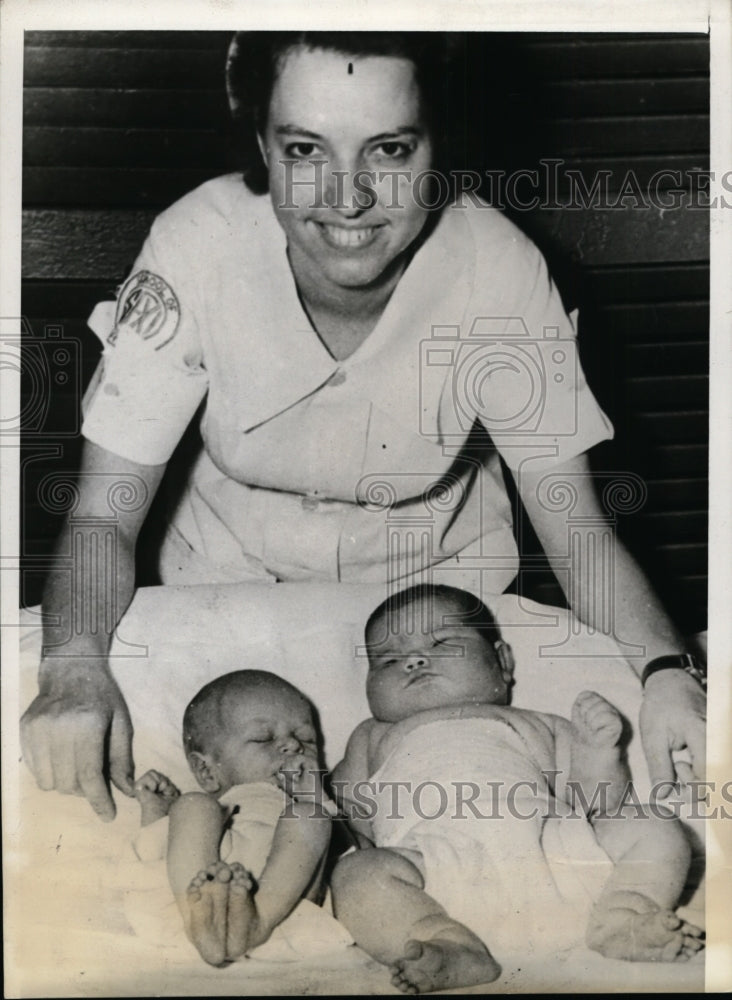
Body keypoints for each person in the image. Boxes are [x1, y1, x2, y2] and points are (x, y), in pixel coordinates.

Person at [20, 32, 705, 822]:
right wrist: (72, 666)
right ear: (261, 145)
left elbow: (576, 524)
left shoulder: (501, 271)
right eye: (306, 147)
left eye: (389, 149)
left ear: (437, 143)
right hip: (225, 594)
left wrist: (666, 670)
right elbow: (104, 512)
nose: (348, 198)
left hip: (434, 612)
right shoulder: (196, 246)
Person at [330, 584, 704, 994]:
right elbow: (351, 814)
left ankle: (622, 912)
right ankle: (447, 942)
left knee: (652, 826)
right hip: (433, 869)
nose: (414, 661)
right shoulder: (371, 736)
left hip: (556, 852)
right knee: (355, 875)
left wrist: (599, 752)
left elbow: (597, 804)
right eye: (389, 659)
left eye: (442, 643)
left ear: (502, 661)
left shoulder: (537, 722)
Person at [130, 670, 334, 966]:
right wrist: (157, 813)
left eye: (306, 738)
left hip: (287, 907)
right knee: (192, 805)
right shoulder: (214, 810)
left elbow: (343, 855)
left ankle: (256, 921)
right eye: (263, 738)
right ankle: (198, 919)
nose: (294, 746)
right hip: (205, 879)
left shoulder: (308, 800)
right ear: (207, 771)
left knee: (312, 817)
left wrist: (316, 798)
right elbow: (159, 855)